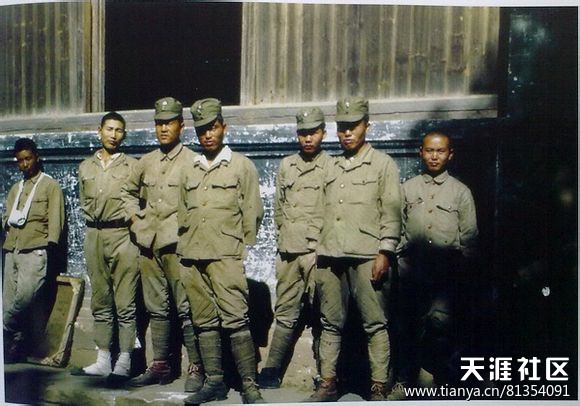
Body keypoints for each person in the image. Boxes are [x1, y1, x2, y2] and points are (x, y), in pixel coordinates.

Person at [307, 97, 401, 402]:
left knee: (375, 323)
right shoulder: (330, 166)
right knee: (329, 323)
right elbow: (318, 212)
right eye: (342, 127)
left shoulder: (383, 164)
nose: (347, 133)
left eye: (353, 126)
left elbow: (392, 212)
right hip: (330, 256)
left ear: (366, 126)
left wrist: (385, 251)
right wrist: (315, 252)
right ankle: (328, 383)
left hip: (367, 255)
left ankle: (378, 386)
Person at [178, 98, 265, 404]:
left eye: (213, 127)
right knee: (203, 321)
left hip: (226, 255)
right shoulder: (189, 168)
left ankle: (249, 385)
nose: (208, 134)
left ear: (223, 127)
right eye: (201, 130)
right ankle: (214, 381)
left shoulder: (241, 166)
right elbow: (182, 210)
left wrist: (238, 248)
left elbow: (253, 211)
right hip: (192, 256)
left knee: (236, 319)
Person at [388, 131, 479, 400]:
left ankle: (442, 382)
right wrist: (398, 262)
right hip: (412, 272)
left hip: (446, 276)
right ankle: (405, 381)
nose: (434, 156)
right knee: (408, 329)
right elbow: (397, 228)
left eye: (440, 151)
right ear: (421, 153)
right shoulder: (408, 189)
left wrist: (464, 275)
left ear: (450, 154)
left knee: (443, 329)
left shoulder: (461, 192)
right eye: (429, 150)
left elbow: (470, 238)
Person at [121, 97, 204, 392]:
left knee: (186, 307)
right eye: (159, 123)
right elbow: (127, 192)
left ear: (181, 126)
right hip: (149, 244)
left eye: (169, 123)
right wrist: (135, 220)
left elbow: (201, 203)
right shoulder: (146, 161)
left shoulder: (192, 161)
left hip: (178, 245)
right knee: (156, 307)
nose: (163, 129)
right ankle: (160, 365)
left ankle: (197, 366)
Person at [257, 107, 332, 389]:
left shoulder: (332, 166)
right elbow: (279, 209)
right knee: (286, 311)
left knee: (323, 313)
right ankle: (272, 368)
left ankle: (326, 373)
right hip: (289, 252)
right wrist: (283, 241)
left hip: (318, 253)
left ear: (323, 133)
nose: (308, 138)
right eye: (302, 133)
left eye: (313, 132)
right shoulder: (287, 165)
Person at [70, 112, 139, 382]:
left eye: (119, 130)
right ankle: (103, 359)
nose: (113, 135)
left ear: (124, 134)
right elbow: (83, 200)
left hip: (122, 235)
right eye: (109, 129)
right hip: (94, 235)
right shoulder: (85, 167)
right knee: (101, 299)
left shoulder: (133, 166)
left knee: (125, 301)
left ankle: (124, 360)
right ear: (99, 131)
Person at [2, 138, 65, 362]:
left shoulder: (50, 186)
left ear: (37, 157)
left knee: (25, 298)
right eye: (20, 160)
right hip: (12, 250)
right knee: (9, 302)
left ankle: (3, 328)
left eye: (28, 159)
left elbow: (56, 221)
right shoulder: (15, 189)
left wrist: (50, 251)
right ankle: (14, 348)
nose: (25, 164)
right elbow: (7, 218)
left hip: (35, 250)